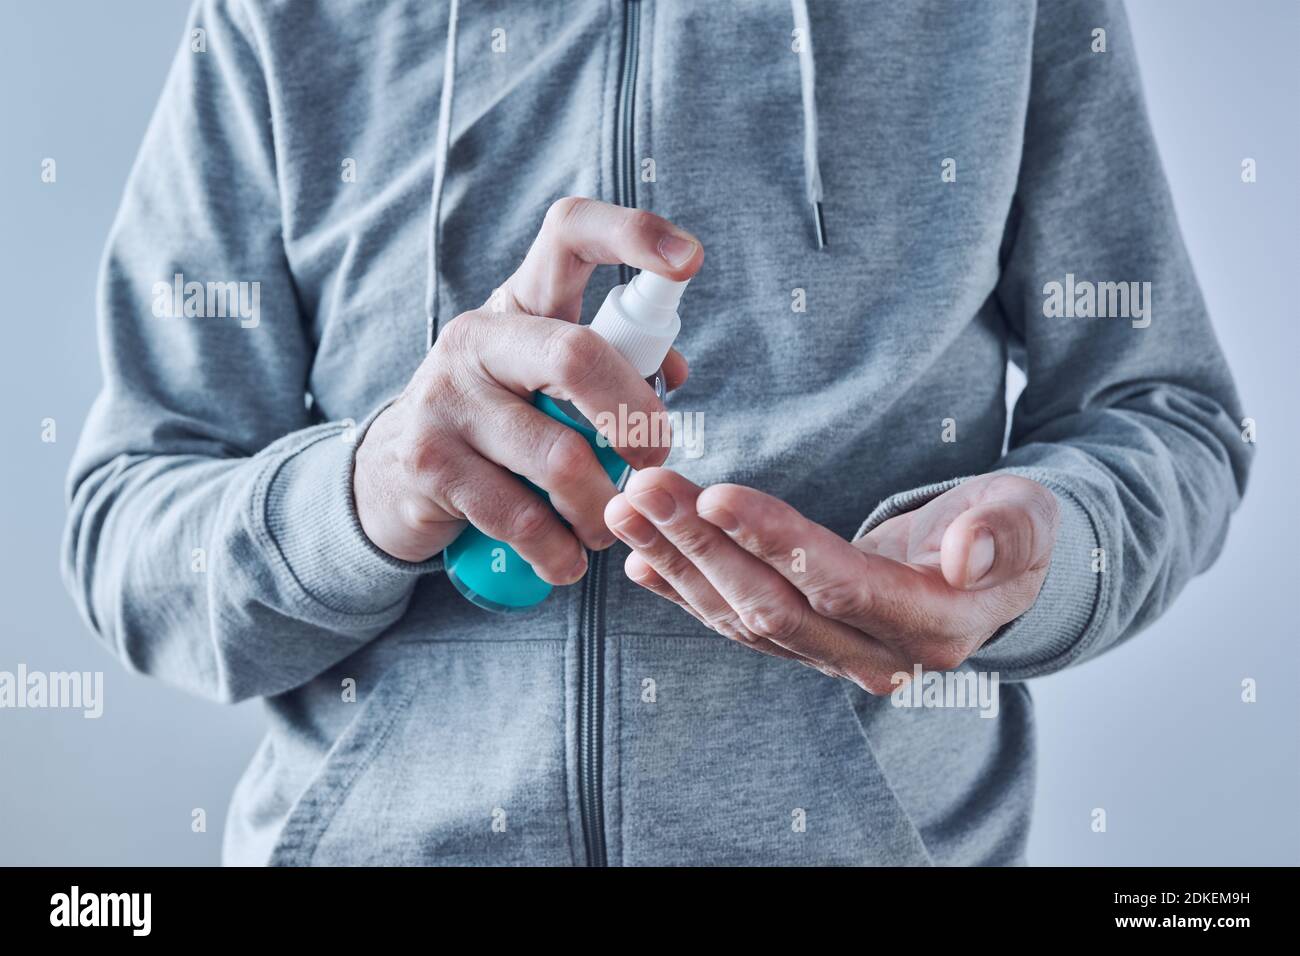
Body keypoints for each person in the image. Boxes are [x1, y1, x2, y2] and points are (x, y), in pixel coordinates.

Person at [63, 0, 1252, 866]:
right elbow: (128, 530)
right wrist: (365, 492)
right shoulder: (279, 20)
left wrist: (1033, 558)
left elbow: (1166, 414)